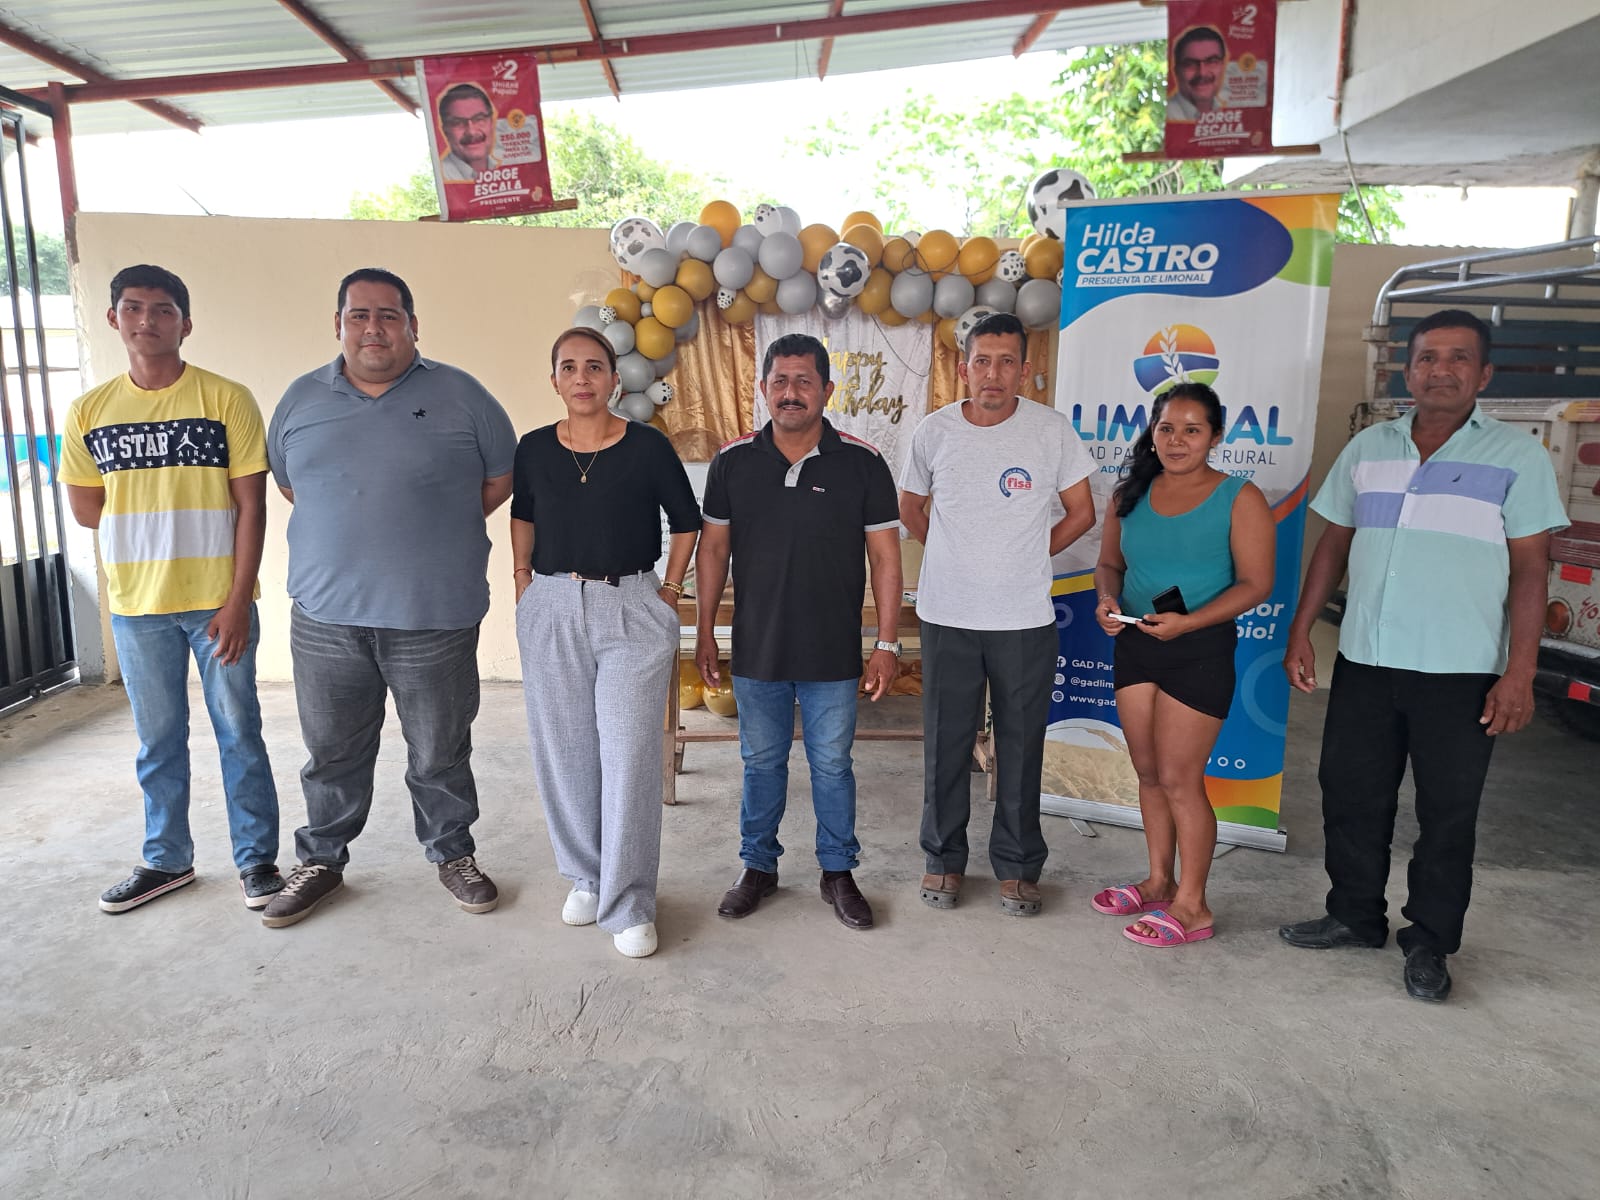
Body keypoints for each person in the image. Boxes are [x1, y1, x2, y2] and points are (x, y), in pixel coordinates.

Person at [1279, 309, 1568, 1002]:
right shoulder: (1369, 447)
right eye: (1429, 357)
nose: (1442, 369)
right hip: (1368, 659)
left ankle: (1430, 941)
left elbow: (1532, 570)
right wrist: (1301, 629)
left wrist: (1521, 671)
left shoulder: (1518, 456)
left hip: (1461, 670)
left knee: (1447, 812)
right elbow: (1334, 544)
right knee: (1351, 794)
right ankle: (1354, 915)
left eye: (1459, 357)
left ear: (1484, 373)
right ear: (1407, 372)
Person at [262, 267, 517, 928]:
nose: (373, 328)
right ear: (338, 325)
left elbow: (499, 478)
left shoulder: (462, 395)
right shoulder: (300, 399)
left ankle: (452, 854)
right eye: (359, 315)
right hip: (325, 619)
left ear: (412, 325)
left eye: (388, 315)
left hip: (434, 617)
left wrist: (434, 523)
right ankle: (321, 860)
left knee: (439, 751)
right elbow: (292, 484)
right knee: (331, 753)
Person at [58, 264, 282, 913]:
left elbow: (252, 506)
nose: (147, 321)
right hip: (137, 607)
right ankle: (166, 860)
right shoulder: (89, 411)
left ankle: (257, 860)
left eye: (163, 310)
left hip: (218, 604)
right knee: (157, 741)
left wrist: (237, 600)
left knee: (239, 732)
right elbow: (87, 509)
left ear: (186, 323)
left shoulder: (226, 399)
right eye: (133, 308)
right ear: (113, 319)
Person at [696, 333, 903, 931]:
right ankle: (757, 867)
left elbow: (885, 558)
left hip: (832, 650)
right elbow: (713, 550)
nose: (791, 393)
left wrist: (886, 643)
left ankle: (838, 871)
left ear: (826, 390)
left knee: (832, 765)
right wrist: (705, 630)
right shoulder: (733, 461)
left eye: (804, 381)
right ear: (763, 388)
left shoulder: (862, 463)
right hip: (756, 647)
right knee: (761, 763)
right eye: (780, 381)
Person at [511, 328, 700, 959]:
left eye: (594, 366)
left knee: (629, 754)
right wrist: (522, 582)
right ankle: (587, 878)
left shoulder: (647, 446)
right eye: (569, 367)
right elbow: (523, 514)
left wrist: (668, 592)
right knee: (565, 750)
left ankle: (631, 901)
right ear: (554, 380)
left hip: (631, 606)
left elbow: (687, 522)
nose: (582, 377)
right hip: (552, 603)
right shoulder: (535, 448)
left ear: (615, 380)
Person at [898, 312, 1096, 916]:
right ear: (964, 369)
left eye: (1007, 362)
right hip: (948, 614)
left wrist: (1029, 554)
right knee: (946, 742)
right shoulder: (935, 431)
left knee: (1021, 743)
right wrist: (953, 553)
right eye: (982, 361)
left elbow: (1083, 512)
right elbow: (910, 507)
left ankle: (1017, 866)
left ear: (1025, 371)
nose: (993, 373)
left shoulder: (1050, 431)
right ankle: (943, 859)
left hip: (1023, 618)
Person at [1091, 383, 1274, 947]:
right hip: (1137, 643)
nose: (1177, 440)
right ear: (1153, 432)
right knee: (1148, 773)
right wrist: (1107, 600)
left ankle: (1193, 906)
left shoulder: (1240, 497)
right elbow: (1109, 564)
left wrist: (1189, 623)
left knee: (1180, 779)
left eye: (1192, 430)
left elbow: (1256, 583)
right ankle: (1158, 881)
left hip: (1200, 649)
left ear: (1215, 437)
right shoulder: (1129, 495)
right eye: (1167, 428)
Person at [437, 83, 500, 181]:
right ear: (445, 130)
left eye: (479, 119)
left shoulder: (504, 168)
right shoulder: (440, 176)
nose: (471, 132)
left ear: (491, 123)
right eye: (458, 123)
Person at [1168, 26, 1227, 120]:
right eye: (1190, 64)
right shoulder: (1167, 115)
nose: (1202, 73)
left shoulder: (1228, 112)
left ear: (1223, 66)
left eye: (1211, 62)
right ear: (1176, 71)